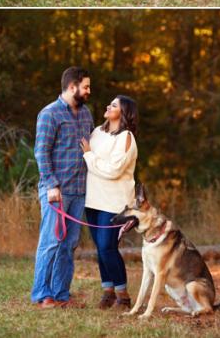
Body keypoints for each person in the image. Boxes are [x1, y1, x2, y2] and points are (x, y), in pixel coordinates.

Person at [31, 66, 94, 308]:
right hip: (57, 191)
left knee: (69, 245)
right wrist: (51, 185)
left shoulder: (86, 114)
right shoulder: (50, 114)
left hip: (79, 191)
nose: (89, 91)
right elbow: (41, 152)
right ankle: (42, 293)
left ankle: (61, 293)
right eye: (86, 86)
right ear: (72, 87)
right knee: (51, 242)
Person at [80, 94, 139, 310]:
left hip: (114, 202)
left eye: (114, 105)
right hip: (93, 199)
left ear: (123, 113)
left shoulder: (126, 138)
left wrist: (89, 157)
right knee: (100, 248)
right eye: (110, 102)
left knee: (107, 247)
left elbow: (113, 170)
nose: (108, 105)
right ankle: (108, 291)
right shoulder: (97, 131)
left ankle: (123, 296)